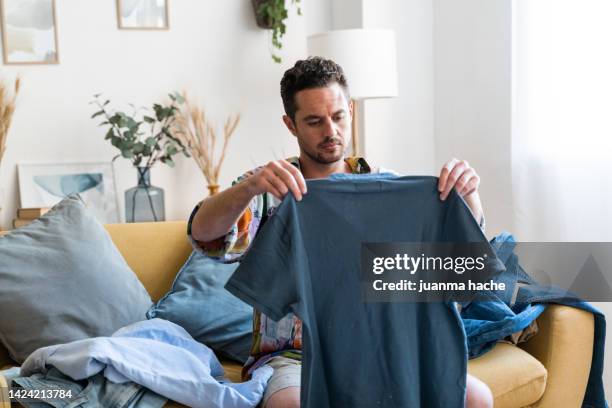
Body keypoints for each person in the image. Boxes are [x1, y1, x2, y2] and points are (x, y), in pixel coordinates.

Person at [188, 57, 494, 408]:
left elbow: (457, 270)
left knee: (476, 398)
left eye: (337, 117)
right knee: (293, 404)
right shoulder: (270, 189)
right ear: (291, 125)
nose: (330, 131)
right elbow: (204, 236)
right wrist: (248, 189)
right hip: (292, 357)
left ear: (351, 111)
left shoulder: (389, 189)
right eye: (315, 121)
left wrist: (469, 197)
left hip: (381, 347)